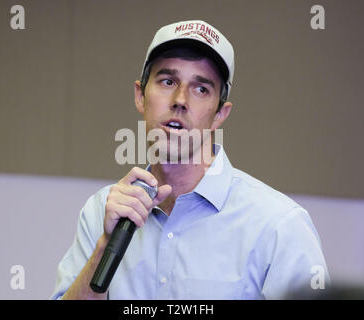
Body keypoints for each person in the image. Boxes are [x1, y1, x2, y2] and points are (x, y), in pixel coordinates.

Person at [50, 20, 329, 300]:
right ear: (140, 96)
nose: (180, 100)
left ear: (220, 114)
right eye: (167, 81)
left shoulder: (278, 225)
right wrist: (105, 247)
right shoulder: (102, 212)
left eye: (201, 89)